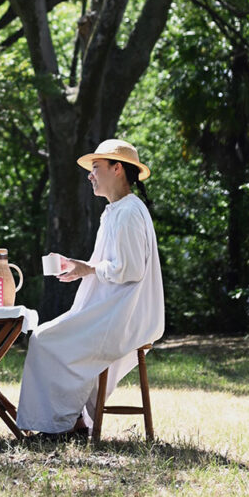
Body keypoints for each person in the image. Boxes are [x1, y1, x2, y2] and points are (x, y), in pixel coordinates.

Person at [16, 139, 164, 438]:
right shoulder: (114, 211)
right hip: (110, 311)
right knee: (46, 338)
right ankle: (74, 422)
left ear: (117, 168)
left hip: (123, 316)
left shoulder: (128, 212)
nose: (89, 175)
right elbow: (114, 265)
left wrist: (90, 270)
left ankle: (62, 424)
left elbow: (130, 270)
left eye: (96, 168)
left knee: (44, 340)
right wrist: (83, 270)